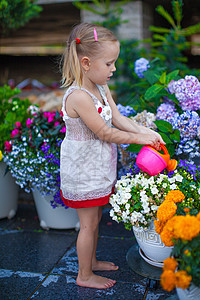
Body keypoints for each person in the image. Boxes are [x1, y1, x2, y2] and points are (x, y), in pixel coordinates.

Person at [60, 23, 165, 289]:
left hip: (97, 166)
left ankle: (90, 262)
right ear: (86, 62)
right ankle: (84, 275)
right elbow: (105, 133)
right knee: (87, 224)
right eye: (109, 63)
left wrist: (147, 131)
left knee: (94, 221)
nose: (114, 69)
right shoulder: (78, 97)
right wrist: (138, 139)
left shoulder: (100, 88)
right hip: (83, 170)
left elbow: (118, 118)